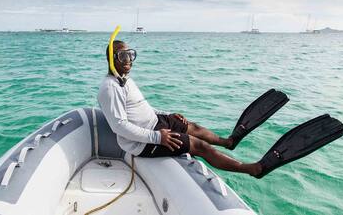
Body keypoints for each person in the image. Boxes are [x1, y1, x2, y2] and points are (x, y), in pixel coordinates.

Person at [97, 40, 262, 177]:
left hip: (155, 123)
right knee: (199, 146)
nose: (129, 60)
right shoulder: (110, 88)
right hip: (143, 142)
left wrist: (168, 115)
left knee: (193, 127)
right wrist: (157, 137)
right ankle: (250, 169)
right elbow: (119, 126)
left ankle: (227, 142)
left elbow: (143, 107)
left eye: (131, 54)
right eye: (122, 55)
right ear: (111, 59)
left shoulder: (125, 80)